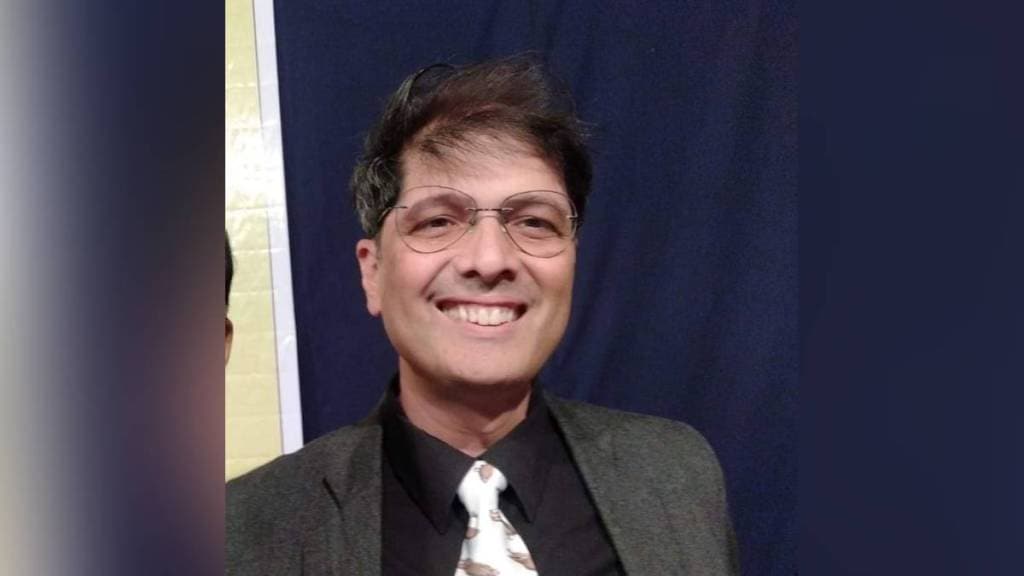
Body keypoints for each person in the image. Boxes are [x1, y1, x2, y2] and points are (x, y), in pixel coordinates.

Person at [227, 56, 739, 575]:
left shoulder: (678, 474)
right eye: (439, 221)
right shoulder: (245, 527)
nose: (490, 261)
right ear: (373, 271)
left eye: (534, 222)